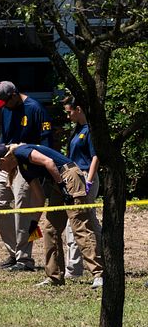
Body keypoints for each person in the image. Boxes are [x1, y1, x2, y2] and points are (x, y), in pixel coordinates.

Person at [0, 142, 103, 288]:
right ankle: (55, 277)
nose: (0, 170)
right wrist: (34, 222)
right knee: (50, 230)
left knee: (79, 226)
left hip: (68, 176)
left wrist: (63, 187)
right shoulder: (23, 169)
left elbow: (48, 162)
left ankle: (99, 274)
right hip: (58, 183)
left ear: (3, 161)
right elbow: (39, 197)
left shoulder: (22, 151)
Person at [0, 81, 53, 272]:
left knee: (23, 211)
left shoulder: (36, 109)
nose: (4, 106)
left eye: (5, 101)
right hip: (5, 161)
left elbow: (46, 143)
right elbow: (3, 137)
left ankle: (24, 259)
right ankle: (14, 251)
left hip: (27, 163)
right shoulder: (5, 109)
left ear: (14, 95)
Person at [62, 95, 102, 279]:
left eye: (69, 112)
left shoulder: (90, 130)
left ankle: (74, 268)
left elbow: (95, 157)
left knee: (76, 222)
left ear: (79, 109)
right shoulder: (77, 130)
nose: (67, 116)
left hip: (84, 177)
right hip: (74, 177)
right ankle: (102, 257)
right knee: (90, 221)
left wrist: (89, 181)